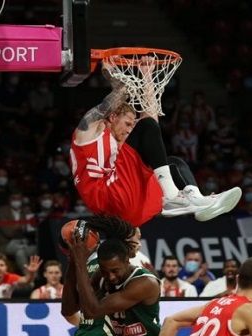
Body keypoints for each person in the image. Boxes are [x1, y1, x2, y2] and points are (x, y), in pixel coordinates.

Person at [70, 61, 241, 227]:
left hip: (136, 210)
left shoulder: (120, 148)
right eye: (127, 124)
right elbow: (118, 97)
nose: (130, 130)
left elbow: (152, 124)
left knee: (174, 163)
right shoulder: (87, 134)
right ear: (113, 117)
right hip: (111, 198)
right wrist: (110, 73)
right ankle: (172, 196)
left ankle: (198, 202)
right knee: (147, 126)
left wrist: (147, 76)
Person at [67, 230, 178, 336]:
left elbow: (92, 310)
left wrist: (80, 263)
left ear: (127, 261)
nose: (110, 277)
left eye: (115, 270)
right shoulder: (103, 277)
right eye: (105, 271)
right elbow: (75, 305)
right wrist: (73, 262)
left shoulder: (145, 283)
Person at [61, 216, 141, 336]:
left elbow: (67, 311)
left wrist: (73, 261)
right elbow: (78, 310)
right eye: (136, 236)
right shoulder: (111, 267)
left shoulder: (86, 265)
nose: (137, 242)